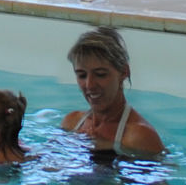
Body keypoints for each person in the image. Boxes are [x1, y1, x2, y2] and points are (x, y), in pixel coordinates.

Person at [61, 25, 164, 159]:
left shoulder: (139, 136)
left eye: (100, 74)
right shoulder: (72, 123)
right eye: (82, 75)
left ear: (123, 72)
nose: (89, 85)